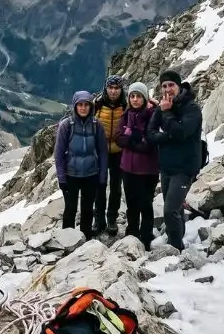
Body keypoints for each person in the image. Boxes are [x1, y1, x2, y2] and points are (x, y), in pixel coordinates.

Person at [146, 70, 203, 252]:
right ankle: (177, 239)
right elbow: (150, 134)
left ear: (179, 86)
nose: (168, 89)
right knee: (175, 209)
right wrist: (168, 136)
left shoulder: (191, 108)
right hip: (167, 167)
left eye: (171, 85)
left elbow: (182, 132)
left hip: (185, 168)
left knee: (170, 210)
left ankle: (175, 247)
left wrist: (168, 114)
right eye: (164, 86)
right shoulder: (161, 107)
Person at [54, 91, 109, 239]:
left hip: (91, 174)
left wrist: (102, 177)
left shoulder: (97, 126)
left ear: (91, 107)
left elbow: (103, 152)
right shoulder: (66, 125)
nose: (83, 108)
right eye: (80, 105)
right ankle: (67, 239)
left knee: (87, 209)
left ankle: (85, 237)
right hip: (71, 174)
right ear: (75, 106)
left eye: (86, 105)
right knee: (70, 209)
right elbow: (58, 154)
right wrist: (61, 178)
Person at [115, 82, 159, 249]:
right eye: (132, 96)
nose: (135, 99)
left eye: (138, 96)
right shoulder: (126, 115)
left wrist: (131, 140)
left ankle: (146, 237)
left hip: (147, 170)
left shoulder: (152, 115)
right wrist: (135, 139)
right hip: (128, 168)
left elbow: (149, 144)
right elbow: (118, 138)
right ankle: (132, 233)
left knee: (145, 203)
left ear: (145, 97)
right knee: (132, 203)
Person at [93, 75, 127, 235]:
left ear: (121, 90)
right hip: (100, 151)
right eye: (110, 88)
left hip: (118, 152)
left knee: (115, 186)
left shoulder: (126, 105)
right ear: (106, 88)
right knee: (100, 186)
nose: (113, 91)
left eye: (116, 88)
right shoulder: (97, 104)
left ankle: (111, 218)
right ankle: (99, 219)